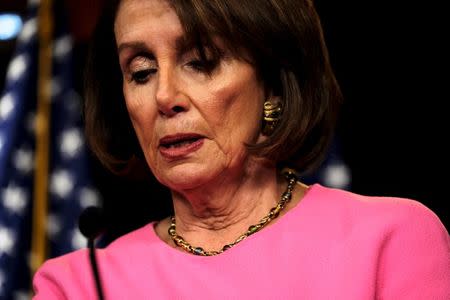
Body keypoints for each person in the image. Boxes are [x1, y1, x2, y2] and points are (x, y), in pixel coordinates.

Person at [33, 0, 450, 298]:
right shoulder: (79, 284)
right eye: (141, 72)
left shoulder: (390, 240)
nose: (164, 96)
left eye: (201, 62)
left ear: (273, 82)